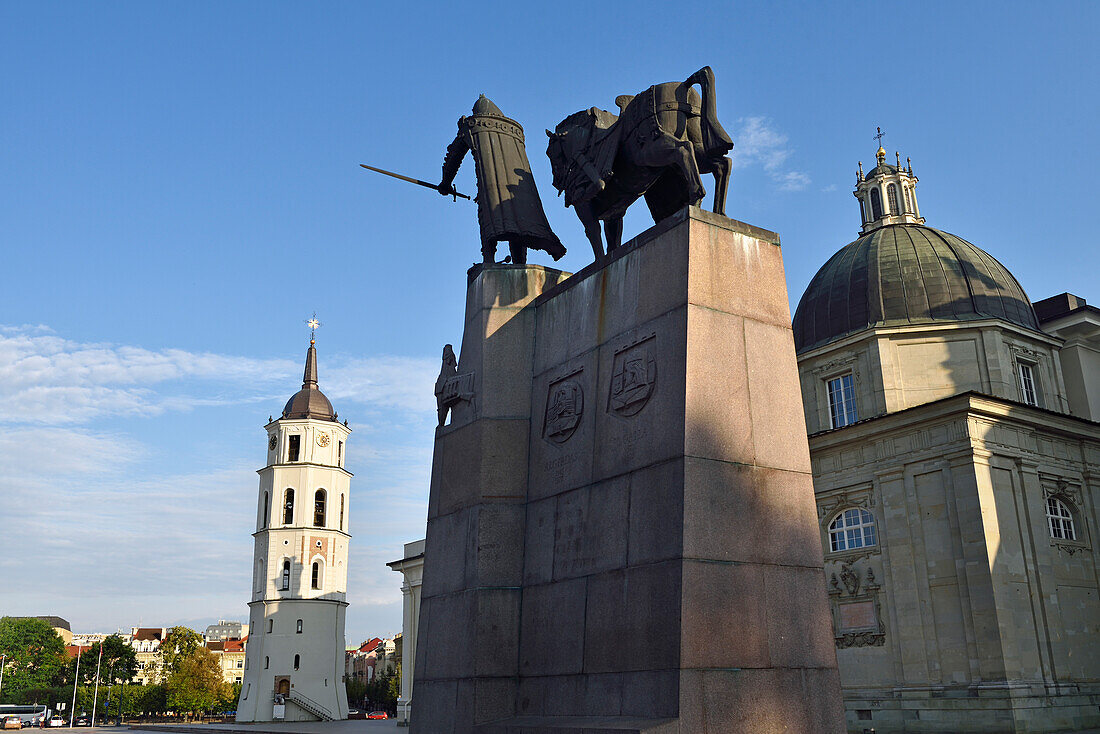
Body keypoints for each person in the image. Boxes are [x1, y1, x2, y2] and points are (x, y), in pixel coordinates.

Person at [439, 95, 565, 265]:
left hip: (491, 188)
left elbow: (454, 155)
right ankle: (519, 264)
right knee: (518, 219)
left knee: (488, 213)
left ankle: (488, 260)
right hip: (522, 192)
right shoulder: (514, 132)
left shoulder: (471, 125)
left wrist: (445, 183)